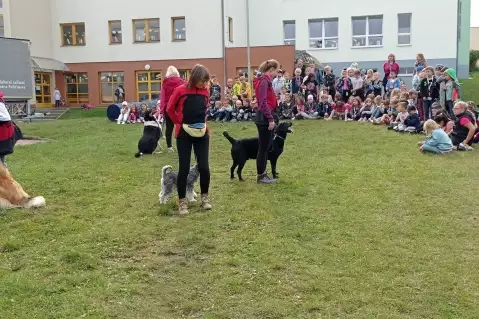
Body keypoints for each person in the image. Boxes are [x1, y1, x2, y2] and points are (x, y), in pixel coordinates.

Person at [166, 64, 212, 215]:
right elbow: (169, 108)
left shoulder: (206, 91)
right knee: (184, 168)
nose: (204, 84)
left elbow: (203, 109)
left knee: (204, 167)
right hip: (184, 133)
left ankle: (204, 198)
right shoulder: (180, 90)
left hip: (202, 132)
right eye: (202, 81)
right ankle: (182, 202)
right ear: (194, 78)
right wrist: (179, 121)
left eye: (206, 81)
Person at [253, 59, 280, 184]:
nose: (277, 74)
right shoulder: (264, 81)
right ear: (271, 69)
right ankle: (261, 176)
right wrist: (270, 119)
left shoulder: (263, 80)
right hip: (264, 118)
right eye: (276, 71)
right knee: (263, 149)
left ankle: (263, 174)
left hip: (263, 116)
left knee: (265, 147)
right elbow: (263, 102)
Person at [157, 66, 184, 152]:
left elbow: (162, 97)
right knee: (180, 126)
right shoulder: (181, 82)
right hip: (179, 107)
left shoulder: (165, 83)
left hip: (168, 108)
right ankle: (182, 144)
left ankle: (169, 147)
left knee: (169, 128)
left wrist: (161, 109)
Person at [0, 91, 22, 168]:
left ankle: (4, 173)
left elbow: (5, 118)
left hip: (3, 132)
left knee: (2, 155)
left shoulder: (0, 104)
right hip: (4, 132)